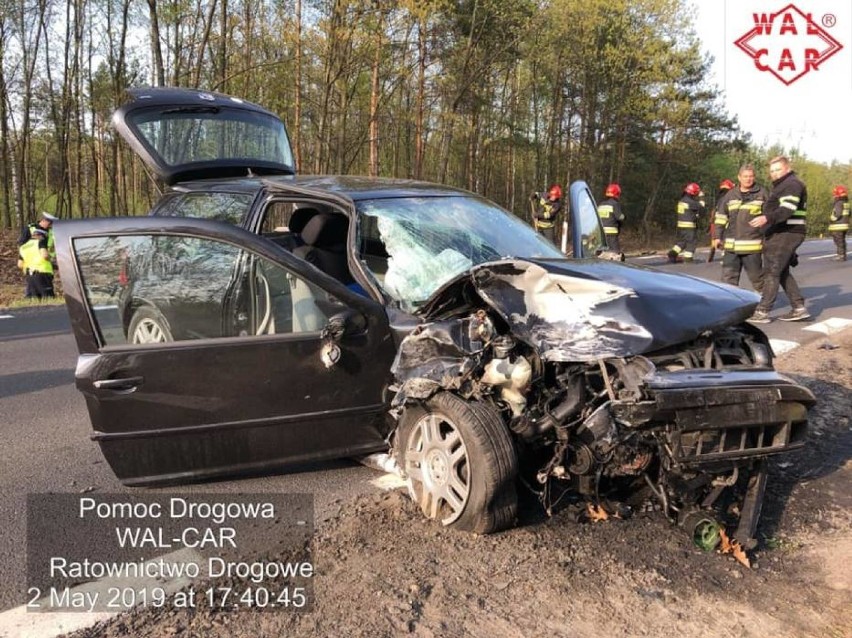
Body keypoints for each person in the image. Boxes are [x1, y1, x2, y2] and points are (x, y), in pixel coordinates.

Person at [747, 156, 809, 323]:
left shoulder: (791, 184)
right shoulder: (783, 185)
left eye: (778, 170)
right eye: (772, 171)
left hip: (787, 232)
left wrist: (766, 218)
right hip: (783, 232)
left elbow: (787, 209)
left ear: (787, 169)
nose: (774, 173)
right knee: (781, 272)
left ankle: (762, 311)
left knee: (772, 271)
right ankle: (798, 307)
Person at [713, 166, 767, 292]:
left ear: (754, 177)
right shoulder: (730, 195)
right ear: (739, 177)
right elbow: (721, 217)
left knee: (757, 279)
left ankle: (763, 302)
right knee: (728, 279)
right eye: (745, 176)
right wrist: (717, 237)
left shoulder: (762, 193)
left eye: (751, 176)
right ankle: (730, 303)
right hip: (731, 247)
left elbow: (770, 214)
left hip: (752, 246)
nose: (748, 179)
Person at [667, 182, 704, 263]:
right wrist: (701, 197)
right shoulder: (690, 202)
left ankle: (672, 254)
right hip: (689, 226)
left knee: (682, 242)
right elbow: (701, 207)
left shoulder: (682, 200)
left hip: (681, 225)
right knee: (691, 242)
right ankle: (688, 259)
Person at [18, 227, 55, 299]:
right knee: (47, 297)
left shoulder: (23, 247)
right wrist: (52, 261)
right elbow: (45, 255)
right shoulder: (40, 242)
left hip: (29, 276)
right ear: (41, 236)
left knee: (34, 299)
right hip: (43, 273)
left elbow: (20, 264)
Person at [708, 179, 735, 263]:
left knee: (719, 238)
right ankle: (726, 258)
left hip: (716, 221)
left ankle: (724, 256)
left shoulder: (719, 198)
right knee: (726, 238)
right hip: (724, 221)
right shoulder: (728, 197)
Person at [597, 183, 625, 253]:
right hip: (611, 234)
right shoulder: (615, 204)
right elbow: (619, 218)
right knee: (614, 254)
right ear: (617, 194)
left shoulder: (601, 205)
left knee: (601, 253)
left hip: (600, 234)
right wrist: (624, 217)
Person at [828, 185, 849, 261]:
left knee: (838, 241)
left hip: (838, 226)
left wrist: (831, 219)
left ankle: (840, 256)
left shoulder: (839, 203)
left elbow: (837, 214)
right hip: (844, 225)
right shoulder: (846, 203)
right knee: (842, 240)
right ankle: (843, 255)